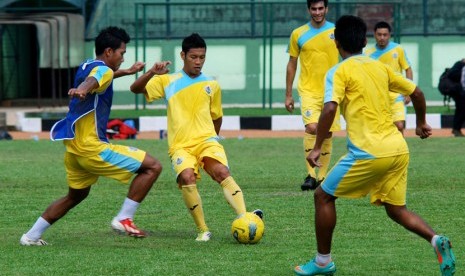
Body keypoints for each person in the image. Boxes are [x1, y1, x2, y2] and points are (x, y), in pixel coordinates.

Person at [294, 15, 456, 276]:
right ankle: (436, 240)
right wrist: (421, 123)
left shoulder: (338, 71)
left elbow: (330, 107)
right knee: (395, 209)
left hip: (368, 152)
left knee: (322, 196)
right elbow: (417, 92)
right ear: (365, 41)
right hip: (398, 149)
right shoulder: (379, 66)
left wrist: (316, 147)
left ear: (336, 42)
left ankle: (323, 262)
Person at [20, 26, 164, 246]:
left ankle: (31, 236)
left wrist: (126, 72)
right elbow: (95, 80)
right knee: (153, 166)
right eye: (121, 53)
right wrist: (84, 89)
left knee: (75, 196)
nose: (123, 58)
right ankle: (123, 218)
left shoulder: (88, 63)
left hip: (74, 149)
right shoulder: (102, 71)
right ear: (108, 52)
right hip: (91, 148)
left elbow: (99, 76)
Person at [130, 33, 262, 242]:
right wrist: (151, 73)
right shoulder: (168, 81)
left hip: (206, 141)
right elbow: (135, 89)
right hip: (180, 146)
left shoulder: (212, 84)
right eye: (194, 57)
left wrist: (213, 140)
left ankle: (245, 217)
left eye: (202, 57)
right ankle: (203, 229)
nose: (198, 62)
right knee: (187, 178)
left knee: (221, 171)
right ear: (183, 55)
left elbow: (217, 117)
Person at [285, 0, 340, 191]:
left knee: (328, 132)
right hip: (308, 90)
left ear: (327, 9)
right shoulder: (298, 34)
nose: (317, 12)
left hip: (332, 89)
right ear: (308, 9)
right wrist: (288, 94)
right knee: (312, 128)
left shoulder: (336, 31)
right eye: (314, 9)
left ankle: (323, 177)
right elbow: (292, 63)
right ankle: (310, 175)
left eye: (321, 8)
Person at [364, 21, 413, 134]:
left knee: (399, 125)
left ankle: (400, 151)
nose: (382, 37)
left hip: (396, 95)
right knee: (379, 129)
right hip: (377, 97)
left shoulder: (398, 49)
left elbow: (408, 69)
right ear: (374, 35)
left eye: (385, 35)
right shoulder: (368, 53)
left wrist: (408, 91)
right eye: (379, 34)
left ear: (389, 35)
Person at [447, 59, 465, 137]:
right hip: (460, 92)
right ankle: (456, 129)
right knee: (461, 111)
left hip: (460, 92)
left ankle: (456, 129)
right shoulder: (460, 65)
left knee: (461, 111)